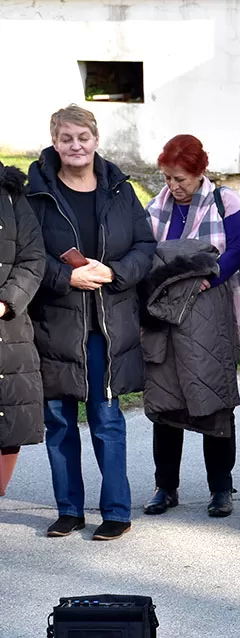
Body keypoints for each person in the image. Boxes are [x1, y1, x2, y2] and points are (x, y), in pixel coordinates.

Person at [27, 105, 156, 540]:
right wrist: (67, 276)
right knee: (59, 419)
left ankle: (116, 511)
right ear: (54, 141)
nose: (76, 146)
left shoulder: (120, 188)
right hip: (55, 323)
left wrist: (114, 272)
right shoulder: (34, 194)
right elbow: (25, 258)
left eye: (83, 137)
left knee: (106, 417)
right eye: (67, 138)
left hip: (106, 324)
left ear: (96, 140)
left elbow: (145, 245)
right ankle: (69, 509)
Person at [141, 135, 240, 518]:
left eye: (181, 178)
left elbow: (237, 248)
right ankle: (165, 487)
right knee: (166, 399)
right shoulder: (155, 208)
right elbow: (144, 253)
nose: (174, 186)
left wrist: (208, 278)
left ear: (200, 171)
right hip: (167, 317)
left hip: (211, 311)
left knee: (213, 399)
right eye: (168, 178)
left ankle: (221, 488)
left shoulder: (225, 201)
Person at [0, 161, 45, 497]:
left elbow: (32, 258)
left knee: (9, 419)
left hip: (7, 326)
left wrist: (6, 302)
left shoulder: (12, 193)